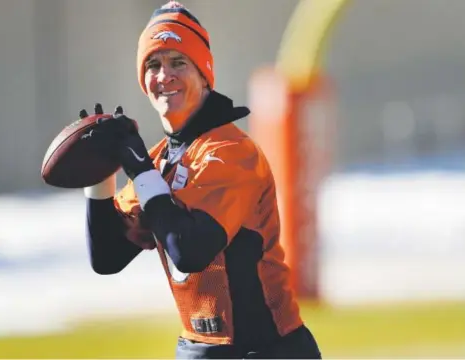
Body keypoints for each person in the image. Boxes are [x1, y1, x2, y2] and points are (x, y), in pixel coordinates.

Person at [81, 1, 322, 358]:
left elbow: (189, 250)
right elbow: (107, 256)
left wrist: (141, 171)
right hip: (199, 349)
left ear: (204, 72)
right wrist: (98, 175)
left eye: (178, 62)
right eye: (153, 64)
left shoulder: (229, 150)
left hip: (268, 350)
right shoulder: (160, 158)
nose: (164, 76)